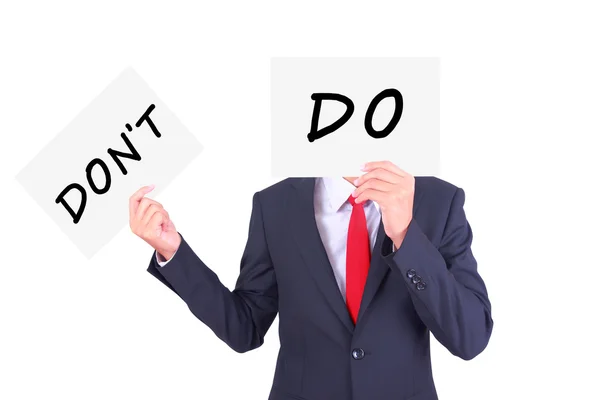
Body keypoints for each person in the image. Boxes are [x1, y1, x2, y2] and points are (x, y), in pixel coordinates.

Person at [129, 160, 493, 400]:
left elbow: (471, 338)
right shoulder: (274, 206)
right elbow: (244, 329)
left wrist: (406, 236)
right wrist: (173, 252)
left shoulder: (438, 201)